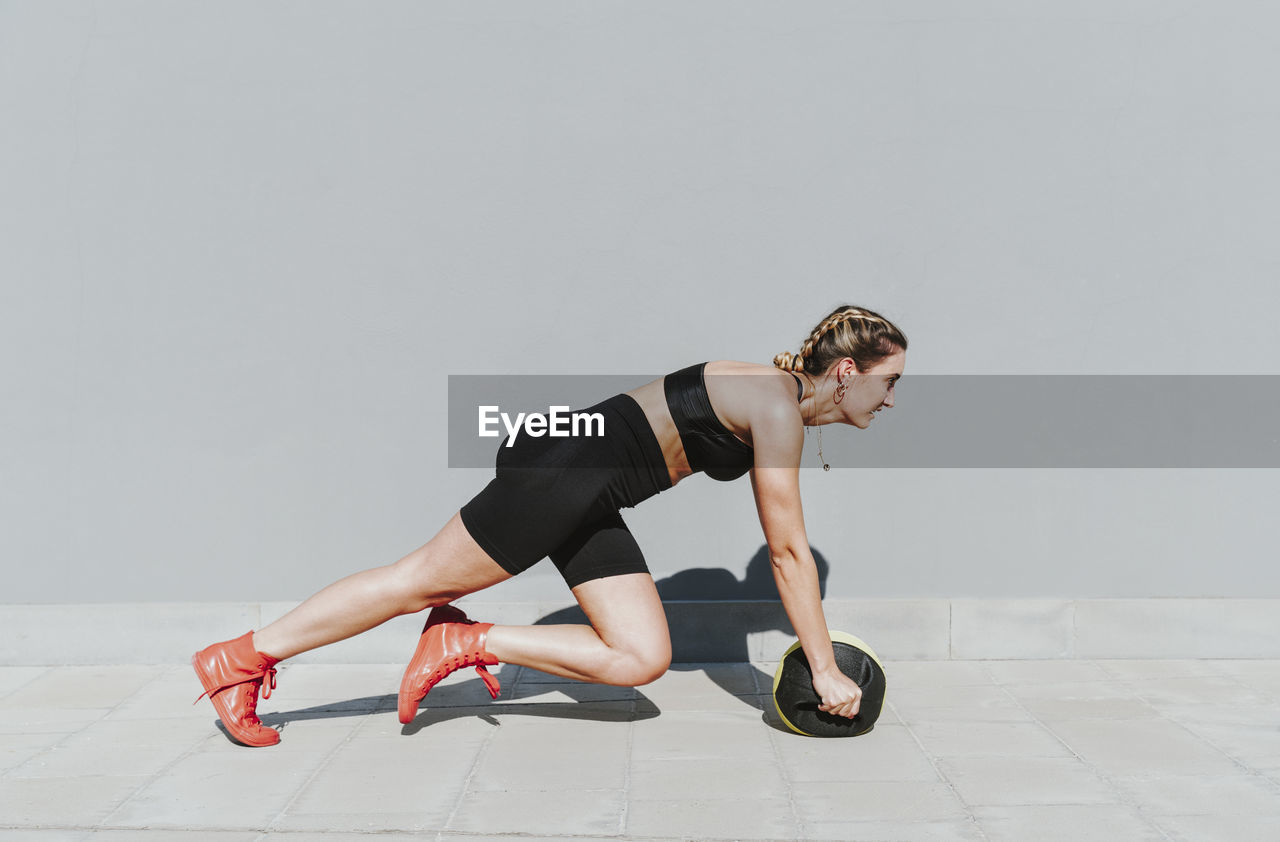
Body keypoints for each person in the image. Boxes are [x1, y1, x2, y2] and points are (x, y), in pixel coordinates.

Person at [192, 304, 908, 747]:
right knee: (415, 580)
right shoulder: (777, 407)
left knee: (640, 656)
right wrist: (822, 668)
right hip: (565, 468)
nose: (892, 400)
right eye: (889, 382)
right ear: (847, 369)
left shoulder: (770, 393)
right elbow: (787, 554)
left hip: (587, 481)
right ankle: (243, 658)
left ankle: (461, 639)